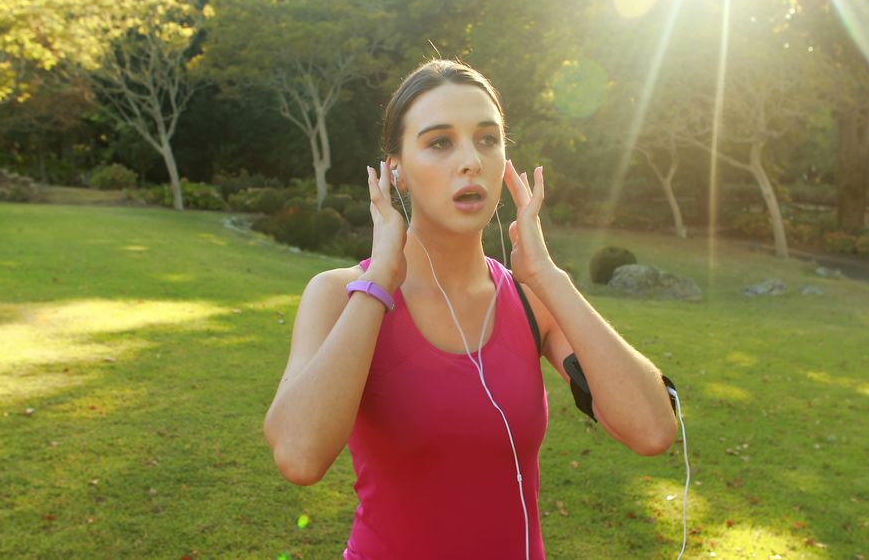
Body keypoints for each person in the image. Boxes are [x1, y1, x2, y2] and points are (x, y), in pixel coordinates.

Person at [263, 59, 678, 560]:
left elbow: (651, 430)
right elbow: (299, 457)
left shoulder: (532, 303)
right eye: (440, 142)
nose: (470, 161)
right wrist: (377, 285)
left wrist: (547, 276)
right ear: (396, 171)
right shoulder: (341, 295)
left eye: (487, 139)